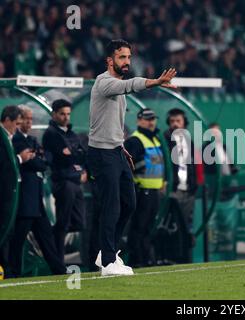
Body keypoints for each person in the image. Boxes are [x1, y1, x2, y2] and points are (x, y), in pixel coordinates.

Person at [87, 39, 176, 276]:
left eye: (129, 57)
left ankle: (107, 252)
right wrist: (155, 81)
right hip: (101, 153)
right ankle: (107, 263)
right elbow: (131, 85)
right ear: (110, 60)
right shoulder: (103, 82)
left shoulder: (118, 84)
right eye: (122, 57)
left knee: (129, 203)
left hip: (115, 150)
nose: (127, 61)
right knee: (112, 206)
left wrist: (119, 144)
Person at [9, 106, 66, 277]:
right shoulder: (15, 140)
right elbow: (38, 163)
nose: (29, 122)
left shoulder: (32, 140)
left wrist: (37, 158)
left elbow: (43, 162)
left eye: (31, 119)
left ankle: (60, 271)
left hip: (36, 200)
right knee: (18, 241)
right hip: (26, 200)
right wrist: (36, 159)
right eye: (25, 119)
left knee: (46, 239)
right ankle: (13, 273)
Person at [42, 99, 87, 264]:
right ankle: (58, 261)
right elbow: (60, 159)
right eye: (62, 114)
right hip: (63, 182)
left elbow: (81, 155)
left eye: (68, 114)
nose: (66, 117)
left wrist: (73, 155)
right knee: (62, 223)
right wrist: (73, 157)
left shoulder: (71, 133)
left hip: (75, 181)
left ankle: (55, 246)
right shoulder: (51, 134)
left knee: (79, 222)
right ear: (54, 114)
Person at [124, 108, 165, 268]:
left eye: (153, 118)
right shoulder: (135, 140)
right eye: (147, 119)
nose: (151, 122)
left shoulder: (154, 139)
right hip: (142, 190)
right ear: (139, 120)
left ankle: (146, 258)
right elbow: (131, 165)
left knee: (147, 227)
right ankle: (137, 260)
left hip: (154, 190)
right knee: (139, 227)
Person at [0, 106, 34, 276]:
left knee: (9, 231)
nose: (18, 127)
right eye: (16, 123)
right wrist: (21, 158)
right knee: (4, 230)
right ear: (7, 120)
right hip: (4, 194)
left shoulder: (8, 137)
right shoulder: (2, 137)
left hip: (10, 194)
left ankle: (7, 269)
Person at [164, 108, 198, 263]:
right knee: (172, 225)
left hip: (188, 190)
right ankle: (170, 256)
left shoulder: (188, 140)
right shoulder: (165, 139)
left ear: (184, 122)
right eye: (172, 121)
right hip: (173, 190)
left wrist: (194, 185)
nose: (175, 124)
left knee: (186, 225)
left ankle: (185, 257)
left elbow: (191, 165)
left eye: (178, 121)